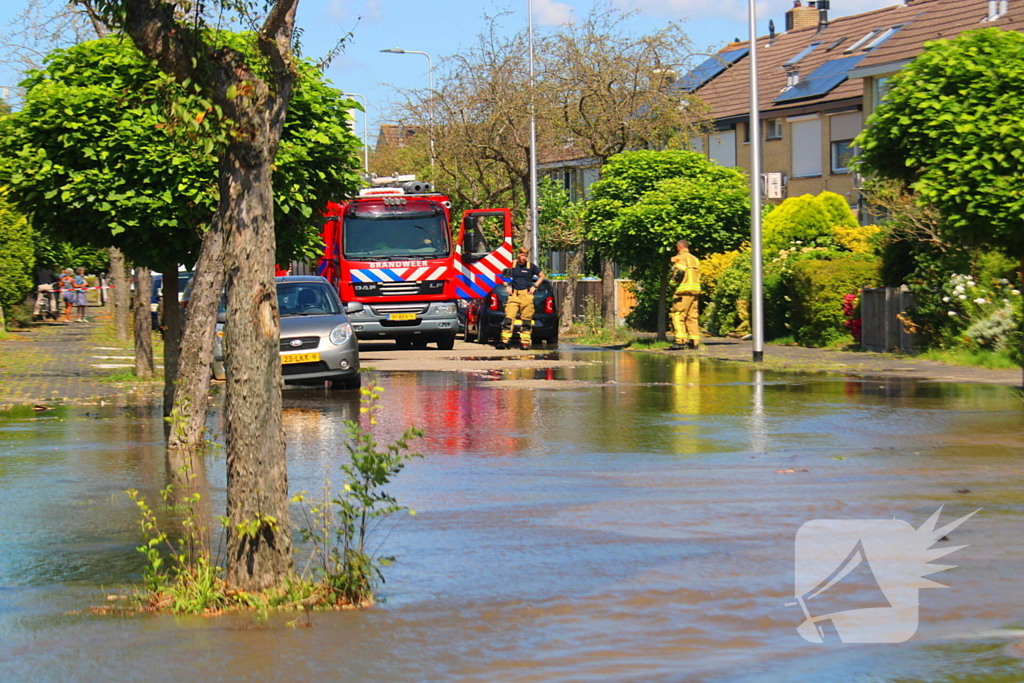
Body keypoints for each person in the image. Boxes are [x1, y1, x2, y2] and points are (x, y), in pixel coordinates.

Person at [498, 247, 545, 350]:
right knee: (508, 319)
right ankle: (504, 341)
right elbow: (502, 276)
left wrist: (535, 286)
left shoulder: (531, 267)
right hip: (514, 294)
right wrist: (506, 286)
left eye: (526, 256)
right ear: (518, 254)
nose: (524, 258)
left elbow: (542, 276)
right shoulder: (512, 265)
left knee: (527, 320)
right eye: (522, 255)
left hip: (526, 295)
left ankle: (524, 343)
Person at [669, 240, 701, 350]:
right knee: (692, 316)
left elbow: (680, 273)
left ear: (678, 247)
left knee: (678, 315)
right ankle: (694, 342)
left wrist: (672, 284)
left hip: (683, 291)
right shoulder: (695, 259)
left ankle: (680, 341)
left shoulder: (681, 258)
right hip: (694, 291)